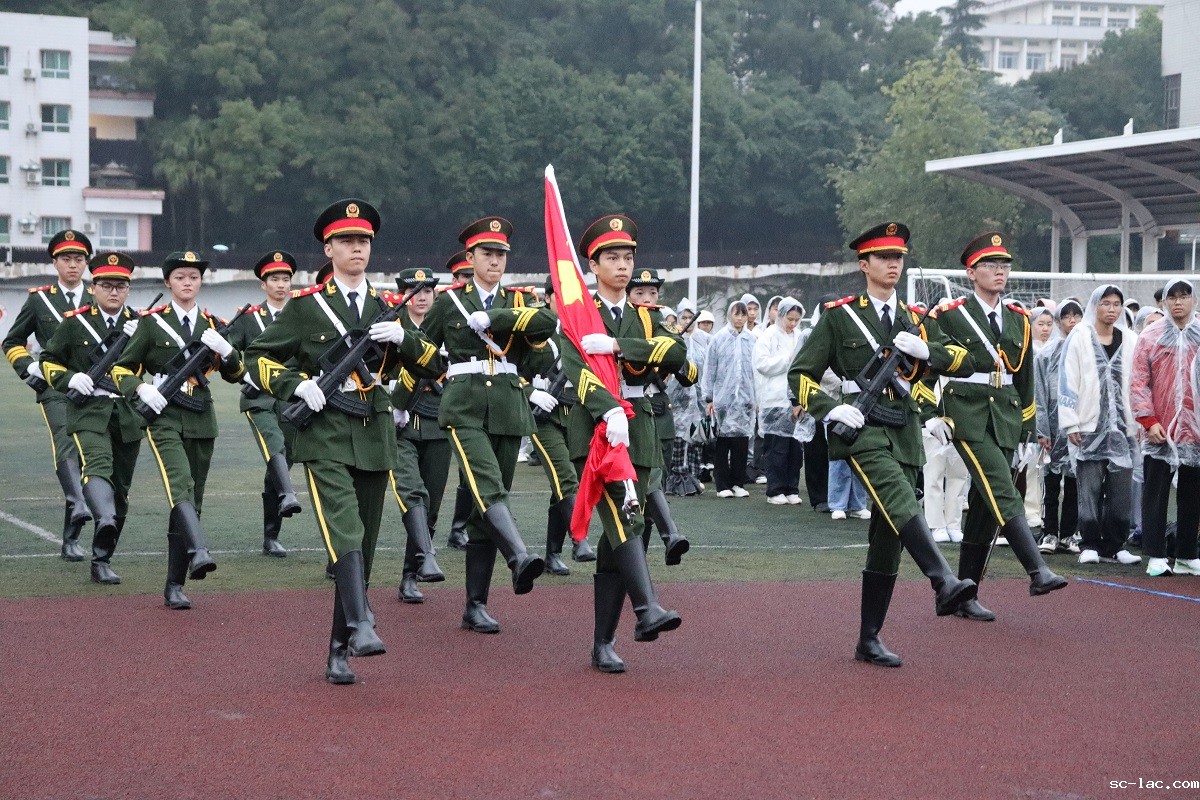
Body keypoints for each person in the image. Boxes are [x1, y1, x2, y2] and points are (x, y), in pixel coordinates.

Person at [248, 200, 443, 684]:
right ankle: (362, 621)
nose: (358, 248)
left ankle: (340, 646)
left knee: (366, 545)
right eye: (348, 241)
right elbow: (256, 358)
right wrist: (296, 385)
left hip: (374, 431)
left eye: (365, 241)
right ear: (329, 248)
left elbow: (433, 367)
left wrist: (405, 339)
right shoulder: (304, 306)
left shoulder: (385, 309)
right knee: (344, 529)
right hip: (324, 432)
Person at [790, 222, 978, 667]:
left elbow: (967, 362)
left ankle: (868, 639)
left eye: (898, 257)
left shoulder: (916, 319)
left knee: (889, 531)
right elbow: (800, 374)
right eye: (883, 258)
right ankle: (942, 580)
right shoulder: (839, 316)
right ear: (863, 264)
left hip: (904, 430)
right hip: (863, 428)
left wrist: (928, 354)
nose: (893, 264)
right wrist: (829, 408)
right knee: (896, 496)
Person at [560, 214, 688, 673]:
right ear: (592, 265)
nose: (622, 265)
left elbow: (676, 354)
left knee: (623, 537)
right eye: (611, 257)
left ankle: (603, 642)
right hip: (597, 431)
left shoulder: (645, 317)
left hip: (642, 432)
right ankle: (647, 608)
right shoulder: (578, 315)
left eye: (627, 256)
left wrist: (618, 347)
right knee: (624, 515)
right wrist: (607, 409)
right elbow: (576, 372)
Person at [421, 216, 556, 634]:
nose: (495, 261)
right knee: (485, 482)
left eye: (501, 255)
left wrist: (497, 319)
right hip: (463, 406)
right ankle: (517, 555)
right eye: (487, 254)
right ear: (470, 257)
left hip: (508, 408)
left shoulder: (521, 300)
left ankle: (475, 605)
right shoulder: (448, 302)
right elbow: (423, 352)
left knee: (484, 505)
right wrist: (404, 399)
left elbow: (546, 326)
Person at [930, 232, 1067, 622]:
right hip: (967, 413)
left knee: (986, 506)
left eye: (1005, 265)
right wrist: (933, 411)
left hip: (1005, 416)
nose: (1000, 272)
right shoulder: (950, 314)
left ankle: (963, 593)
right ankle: (1037, 569)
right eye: (991, 265)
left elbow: (1024, 380)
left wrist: (1027, 429)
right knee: (1001, 487)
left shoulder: (1020, 318)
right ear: (971, 271)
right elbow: (927, 363)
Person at [112, 251, 246, 609]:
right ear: (168, 282)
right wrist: (141, 389)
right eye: (181, 277)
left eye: (194, 277)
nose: (188, 282)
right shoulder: (151, 323)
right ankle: (198, 552)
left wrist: (229, 352)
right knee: (180, 485)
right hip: (164, 417)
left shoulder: (214, 325)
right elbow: (122, 369)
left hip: (202, 417)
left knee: (193, 499)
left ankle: (175, 582)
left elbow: (237, 374)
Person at [39, 252, 143, 585]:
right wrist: (69, 379)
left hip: (126, 413)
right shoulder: (75, 322)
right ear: (94, 287)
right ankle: (105, 516)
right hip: (88, 411)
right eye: (107, 285)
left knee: (122, 489)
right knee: (97, 466)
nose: (114, 292)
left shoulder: (141, 323)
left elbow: (158, 362)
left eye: (121, 286)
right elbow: (48, 360)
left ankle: (102, 558)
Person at [3, 230, 94, 560]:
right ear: (54, 262)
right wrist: (31, 370)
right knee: (64, 437)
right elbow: (11, 341)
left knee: (89, 458)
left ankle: (72, 535)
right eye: (66, 259)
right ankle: (77, 503)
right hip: (55, 388)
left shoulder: (98, 299)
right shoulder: (39, 300)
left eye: (79, 259)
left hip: (94, 389)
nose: (73, 265)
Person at [226, 250, 304, 558]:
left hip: (291, 400)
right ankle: (288, 494)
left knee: (283, 461)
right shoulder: (248, 319)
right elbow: (230, 353)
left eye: (286, 279)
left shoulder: (300, 316)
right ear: (263, 284)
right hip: (258, 399)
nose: (281, 285)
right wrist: (244, 372)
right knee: (274, 445)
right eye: (275, 279)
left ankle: (271, 536)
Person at [516, 275, 595, 578]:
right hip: (543, 419)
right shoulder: (535, 333)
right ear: (548, 298)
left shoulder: (581, 334)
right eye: (559, 296)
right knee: (565, 476)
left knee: (564, 484)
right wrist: (531, 391)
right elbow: (513, 369)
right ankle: (580, 538)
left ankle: (552, 553)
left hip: (574, 415)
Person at [1059, 285, 1141, 567]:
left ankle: (1115, 545)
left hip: (1123, 425)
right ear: (1095, 306)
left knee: (1121, 490)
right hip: (1089, 423)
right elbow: (1068, 379)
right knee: (1090, 488)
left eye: (1117, 304)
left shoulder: (1130, 339)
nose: (1112, 309)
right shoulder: (1080, 337)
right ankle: (1090, 543)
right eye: (1106, 303)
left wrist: (1139, 417)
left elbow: (1139, 381)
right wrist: (1070, 422)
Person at [1130, 279, 1200, 577]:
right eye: (1172, 297)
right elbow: (1138, 382)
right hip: (1159, 427)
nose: (1178, 302)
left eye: (1184, 296)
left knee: (1192, 492)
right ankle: (1155, 553)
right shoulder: (1150, 336)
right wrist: (1148, 419)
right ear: (1164, 302)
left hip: (1195, 429)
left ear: (1193, 300)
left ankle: (1186, 553)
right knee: (1156, 491)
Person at [386, 267, 448, 604]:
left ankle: (412, 571)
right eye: (415, 291)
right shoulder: (392, 328)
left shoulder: (446, 329)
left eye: (427, 290)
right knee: (412, 491)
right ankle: (418, 565)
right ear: (403, 295)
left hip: (438, 422)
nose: (422, 296)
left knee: (433, 504)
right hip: (402, 422)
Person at [626, 268, 696, 564]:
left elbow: (690, 375)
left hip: (659, 416)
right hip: (631, 413)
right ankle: (647, 549)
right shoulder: (625, 325)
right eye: (640, 293)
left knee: (656, 484)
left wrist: (672, 362)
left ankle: (641, 555)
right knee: (643, 486)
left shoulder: (662, 327)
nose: (647, 298)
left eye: (653, 293)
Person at [1035, 298, 1083, 555]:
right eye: (1066, 316)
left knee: (1075, 482)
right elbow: (1040, 394)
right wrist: (1043, 430)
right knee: (1051, 482)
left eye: (1076, 315)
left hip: (1077, 425)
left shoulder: (1088, 350)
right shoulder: (1045, 354)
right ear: (1058, 322)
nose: (1071, 321)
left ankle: (1068, 534)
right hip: (1053, 427)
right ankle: (1050, 532)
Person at [754, 297, 809, 504]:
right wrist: (786, 360)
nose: (793, 324)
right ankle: (775, 490)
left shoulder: (799, 336)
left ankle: (791, 488)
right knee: (776, 448)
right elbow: (761, 364)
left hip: (796, 399)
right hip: (774, 400)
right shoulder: (768, 335)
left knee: (795, 448)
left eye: (796, 320)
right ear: (781, 315)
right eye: (790, 319)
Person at [703, 301, 758, 497]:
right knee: (722, 443)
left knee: (741, 443)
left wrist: (756, 397)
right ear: (729, 315)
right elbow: (710, 369)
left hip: (745, 399)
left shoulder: (752, 339)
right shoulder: (718, 339)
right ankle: (722, 485)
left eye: (743, 314)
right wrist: (709, 397)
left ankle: (738, 483)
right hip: (722, 399)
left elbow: (756, 370)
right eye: (737, 314)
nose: (740, 318)